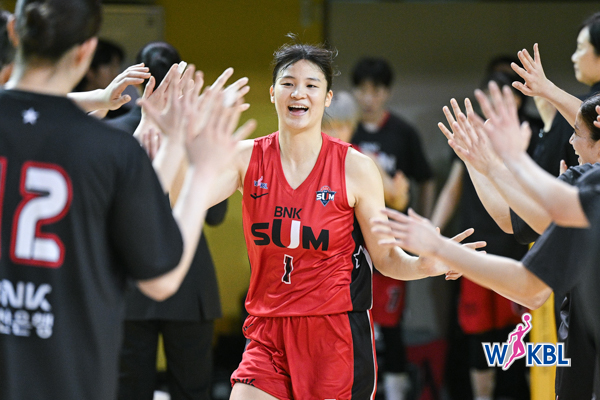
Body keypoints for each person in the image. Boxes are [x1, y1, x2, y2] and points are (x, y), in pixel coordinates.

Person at [166, 38, 483, 400]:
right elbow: (178, 198)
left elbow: (385, 258)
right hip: (267, 333)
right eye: (288, 83)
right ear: (272, 93)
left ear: (327, 97)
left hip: (334, 338)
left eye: (311, 85)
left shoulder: (356, 168)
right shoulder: (246, 158)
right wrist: (178, 135)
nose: (298, 93)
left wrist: (425, 265)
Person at [0, 0, 253, 399]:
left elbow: (34, 114)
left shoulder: (104, 143)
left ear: (14, 31)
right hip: (63, 361)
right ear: (87, 49)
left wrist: (101, 101)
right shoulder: (107, 150)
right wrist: (199, 166)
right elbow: (161, 276)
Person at [372, 82, 600, 398]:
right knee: (483, 344)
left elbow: (530, 285)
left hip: (585, 365)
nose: (571, 141)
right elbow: (516, 220)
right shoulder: (582, 181)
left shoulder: (588, 185)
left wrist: (443, 248)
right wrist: (480, 162)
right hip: (579, 365)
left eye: (576, 132)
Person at [117, 41, 229, 400]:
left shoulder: (114, 133)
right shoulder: (199, 132)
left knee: (128, 391)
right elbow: (216, 215)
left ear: (137, 80)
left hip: (130, 280)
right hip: (189, 279)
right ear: (181, 78)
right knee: (192, 390)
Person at [431, 71, 533, 400]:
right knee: (479, 337)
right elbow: (452, 189)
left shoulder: (527, 136)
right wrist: (432, 231)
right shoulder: (471, 137)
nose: (496, 103)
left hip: (518, 252)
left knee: (520, 335)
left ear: (517, 100)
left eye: (505, 96)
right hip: (477, 252)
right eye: (489, 96)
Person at [323, 91, 411, 400]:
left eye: (343, 126)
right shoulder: (310, 160)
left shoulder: (361, 160)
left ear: (352, 125)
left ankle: (395, 392)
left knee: (384, 329)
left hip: (368, 259)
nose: (336, 132)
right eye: (330, 126)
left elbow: (397, 198)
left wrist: (398, 194)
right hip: (329, 267)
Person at [350, 57, 435, 217]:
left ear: (388, 92)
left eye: (375, 91)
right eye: (362, 90)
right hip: (354, 223)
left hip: (394, 221)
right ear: (354, 91)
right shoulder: (345, 131)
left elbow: (425, 179)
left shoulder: (404, 132)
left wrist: (426, 221)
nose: (368, 99)